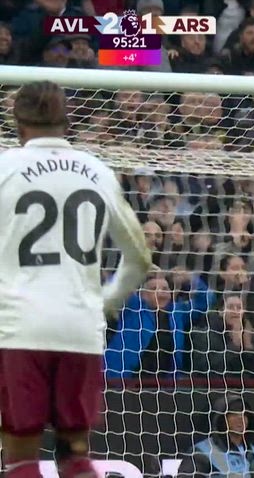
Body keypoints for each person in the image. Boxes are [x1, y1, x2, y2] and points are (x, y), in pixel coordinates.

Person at [0, 81, 151, 478]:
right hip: (80, 329)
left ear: (18, 123)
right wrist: (106, 301)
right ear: (67, 123)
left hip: (21, 328)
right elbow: (139, 257)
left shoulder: (5, 168)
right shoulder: (96, 170)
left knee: (21, 458)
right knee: (75, 457)